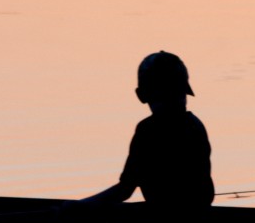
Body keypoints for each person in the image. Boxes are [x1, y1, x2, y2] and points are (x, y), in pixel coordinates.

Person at [81, 51, 215, 209]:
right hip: (197, 216)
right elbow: (205, 195)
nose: (174, 100)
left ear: (142, 95)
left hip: (166, 221)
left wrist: (78, 207)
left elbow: (125, 189)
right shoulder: (195, 125)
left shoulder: (148, 131)